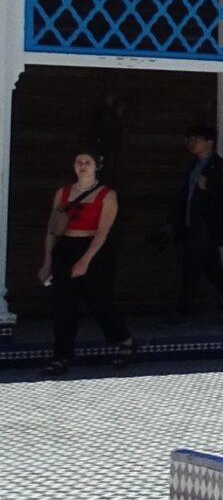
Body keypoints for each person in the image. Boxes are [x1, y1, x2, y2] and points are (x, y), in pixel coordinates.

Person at [40, 150, 137, 376]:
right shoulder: (62, 193)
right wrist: (46, 262)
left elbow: (103, 232)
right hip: (65, 248)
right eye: (79, 162)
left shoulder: (107, 195)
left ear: (96, 167)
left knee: (99, 301)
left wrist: (85, 260)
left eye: (88, 162)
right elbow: (52, 230)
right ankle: (61, 357)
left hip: (95, 251)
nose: (82, 166)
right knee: (63, 304)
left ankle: (125, 341)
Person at [169, 124, 223, 316]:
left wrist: (208, 187)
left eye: (196, 139)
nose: (191, 143)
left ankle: (181, 311)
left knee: (191, 269)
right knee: (213, 270)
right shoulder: (192, 166)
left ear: (209, 143)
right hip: (192, 225)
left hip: (207, 227)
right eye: (189, 139)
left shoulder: (222, 167)